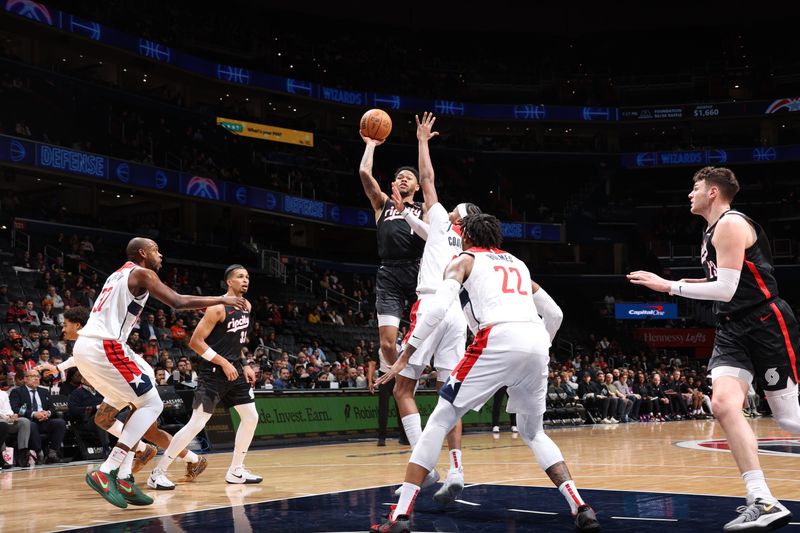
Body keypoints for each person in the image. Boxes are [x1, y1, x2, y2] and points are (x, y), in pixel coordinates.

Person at [371, 214, 599, 533]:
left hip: (496, 337)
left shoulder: (464, 259)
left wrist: (406, 355)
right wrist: (540, 345)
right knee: (534, 433)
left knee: (439, 419)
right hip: (535, 340)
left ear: (464, 236)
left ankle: (400, 516)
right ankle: (580, 506)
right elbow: (555, 313)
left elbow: (436, 310)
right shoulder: (518, 264)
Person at [628, 166, 797, 531]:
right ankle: (762, 498)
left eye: (695, 188)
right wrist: (675, 283)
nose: (690, 194)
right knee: (722, 405)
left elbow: (726, 289)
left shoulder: (731, 225)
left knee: (789, 419)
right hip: (732, 329)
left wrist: (668, 286)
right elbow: (719, 283)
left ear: (713, 193)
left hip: (764, 323)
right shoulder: (710, 231)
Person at [72, 237, 245, 509]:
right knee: (152, 403)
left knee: (134, 406)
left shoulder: (117, 275)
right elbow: (177, 301)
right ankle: (108, 471)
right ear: (143, 253)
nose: (160, 254)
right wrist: (224, 298)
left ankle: (125, 476)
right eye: (155, 250)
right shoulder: (142, 272)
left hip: (89, 348)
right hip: (105, 347)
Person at [387, 112, 483, 504]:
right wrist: (406, 211)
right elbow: (424, 232)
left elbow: (427, 181)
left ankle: (421, 465)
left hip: (430, 304)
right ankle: (457, 468)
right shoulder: (470, 247)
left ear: (457, 215)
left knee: (402, 387)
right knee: (449, 395)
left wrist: (423, 140)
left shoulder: (443, 217)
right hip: (458, 318)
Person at [37, 306, 208, 480]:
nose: (63, 329)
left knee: (145, 430)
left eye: (66, 324)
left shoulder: (94, 339)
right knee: (103, 418)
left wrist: (59, 367)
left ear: (78, 325)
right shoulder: (86, 342)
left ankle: (130, 467)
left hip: (136, 380)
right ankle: (148, 450)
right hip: (119, 385)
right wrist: (58, 367)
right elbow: (79, 358)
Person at [148, 265, 262, 489]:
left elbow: (236, 341)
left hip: (235, 369)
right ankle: (157, 472)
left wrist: (246, 363)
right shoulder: (217, 308)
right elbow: (195, 343)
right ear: (229, 282)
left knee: (251, 417)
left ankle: (236, 470)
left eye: (247, 277)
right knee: (196, 423)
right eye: (240, 277)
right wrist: (223, 362)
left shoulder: (246, 305)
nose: (245, 280)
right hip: (213, 372)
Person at [358, 120, 425, 440]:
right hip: (388, 273)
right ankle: (400, 375)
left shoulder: (425, 209)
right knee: (386, 343)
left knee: (431, 330)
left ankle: (429, 367)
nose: (402, 178)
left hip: (417, 272)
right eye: (398, 176)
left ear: (416, 187)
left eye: (408, 176)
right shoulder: (382, 204)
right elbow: (364, 176)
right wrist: (371, 144)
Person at [8, 369, 67, 464]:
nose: (36, 378)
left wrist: (47, 413)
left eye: (37, 376)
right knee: (31, 424)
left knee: (60, 422)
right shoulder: (17, 392)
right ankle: (39, 452)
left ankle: (52, 453)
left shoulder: (44, 391)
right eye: (33, 376)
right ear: (25, 379)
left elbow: (52, 408)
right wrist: (33, 414)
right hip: (29, 421)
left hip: (44, 420)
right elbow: (16, 408)